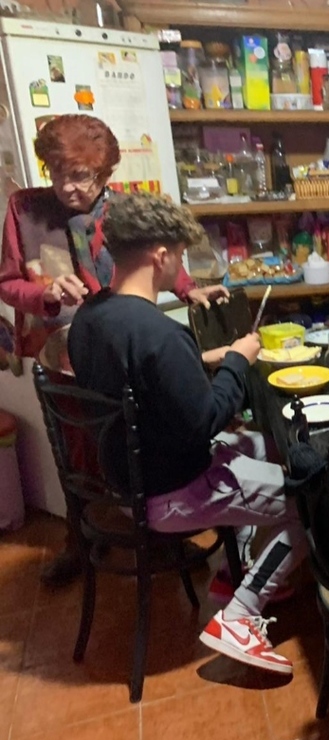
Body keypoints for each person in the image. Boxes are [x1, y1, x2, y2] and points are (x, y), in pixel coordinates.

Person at [67, 191, 305, 674]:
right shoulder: (160, 332)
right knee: (309, 500)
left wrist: (207, 359)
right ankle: (239, 617)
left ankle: (235, 570)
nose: (180, 268)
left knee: (266, 444)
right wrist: (238, 360)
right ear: (160, 256)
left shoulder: (91, 319)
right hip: (174, 491)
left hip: (129, 479)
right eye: (177, 256)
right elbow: (203, 422)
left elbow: (142, 383)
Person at [0, 114, 229, 585]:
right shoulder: (24, 210)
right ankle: (79, 542)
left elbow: (154, 256)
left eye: (81, 176)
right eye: (58, 174)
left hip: (116, 346)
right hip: (61, 352)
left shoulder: (121, 210)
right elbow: (8, 283)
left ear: (104, 174)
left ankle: (157, 530)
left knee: (138, 442)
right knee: (77, 454)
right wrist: (44, 294)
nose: (68, 187)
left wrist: (189, 290)